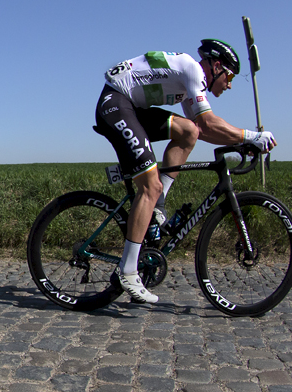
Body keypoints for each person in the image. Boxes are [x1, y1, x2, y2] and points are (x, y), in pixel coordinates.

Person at [95, 40, 277, 304]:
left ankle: (157, 205)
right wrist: (251, 136)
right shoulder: (192, 70)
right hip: (115, 103)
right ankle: (127, 270)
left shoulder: (188, 84)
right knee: (150, 185)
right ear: (216, 66)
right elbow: (210, 123)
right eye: (230, 76)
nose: (230, 84)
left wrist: (240, 142)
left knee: (188, 131)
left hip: (132, 107)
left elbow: (201, 130)